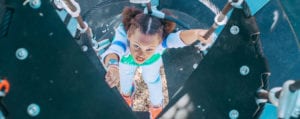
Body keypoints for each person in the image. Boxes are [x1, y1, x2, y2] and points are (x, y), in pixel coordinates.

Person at [101, 6, 213, 119]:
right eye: (136, 46)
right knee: (125, 77)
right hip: (128, 61)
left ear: (160, 41)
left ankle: (156, 107)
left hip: (150, 62)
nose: (141, 54)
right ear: (129, 35)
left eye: (149, 49)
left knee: (153, 81)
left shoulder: (161, 40)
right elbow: (115, 49)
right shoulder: (123, 36)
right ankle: (126, 95)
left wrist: (196, 33)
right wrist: (113, 66)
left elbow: (179, 38)